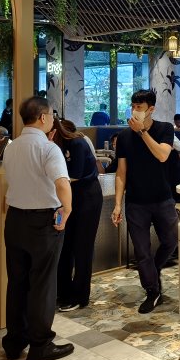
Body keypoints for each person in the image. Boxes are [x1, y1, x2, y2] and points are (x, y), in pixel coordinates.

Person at [1, 96, 74, 360]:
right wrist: (67, 210)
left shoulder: (11, 147)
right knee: (42, 284)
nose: (54, 119)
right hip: (43, 222)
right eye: (52, 115)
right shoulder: (48, 148)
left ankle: (14, 341)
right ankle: (40, 345)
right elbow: (62, 183)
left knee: (17, 282)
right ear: (43, 117)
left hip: (15, 220)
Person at [111, 89, 178, 314]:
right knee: (141, 251)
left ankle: (153, 269)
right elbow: (121, 173)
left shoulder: (165, 129)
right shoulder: (123, 137)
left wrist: (142, 132)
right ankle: (152, 290)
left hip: (163, 199)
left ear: (151, 109)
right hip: (136, 202)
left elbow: (162, 155)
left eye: (139, 107)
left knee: (171, 241)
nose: (134, 111)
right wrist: (118, 204)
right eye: (133, 106)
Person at [51, 118, 102, 312]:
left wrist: (52, 184)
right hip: (67, 199)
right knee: (65, 247)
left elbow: (75, 174)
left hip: (87, 198)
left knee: (82, 248)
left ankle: (80, 296)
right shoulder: (55, 148)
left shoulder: (78, 143)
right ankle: (63, 292)